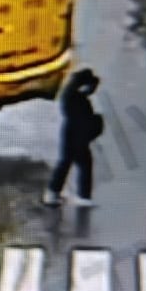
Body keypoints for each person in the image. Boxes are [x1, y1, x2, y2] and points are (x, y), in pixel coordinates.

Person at [43, 68, 103, 208]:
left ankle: (53, 193)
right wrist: (94, 124)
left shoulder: (71, 93)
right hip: (77, 135)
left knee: (65, 162)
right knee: (84, 164)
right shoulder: (77, 99)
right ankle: (83, 196)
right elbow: (82, 119)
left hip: (70, 133)